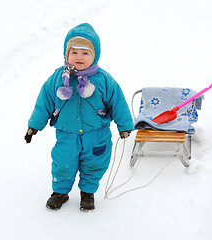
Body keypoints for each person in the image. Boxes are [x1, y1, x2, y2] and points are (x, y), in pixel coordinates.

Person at [25, 23, 134, 211]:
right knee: (63, 162)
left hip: (97, 133)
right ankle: (60, 192)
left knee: (95, 163)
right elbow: (44, 102)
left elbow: (118, 103)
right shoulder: (58, 78)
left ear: (95, 55)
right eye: (74, 52)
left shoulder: (104, 80)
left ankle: (88, 192)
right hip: (67, 133)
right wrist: (34, 125)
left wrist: (124, 125)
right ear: (66, 54)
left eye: (85, 53)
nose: (79, 57)